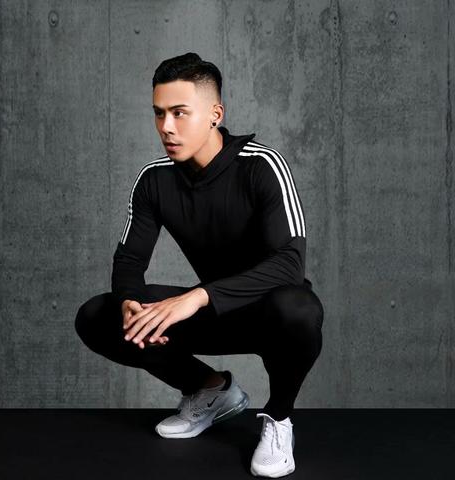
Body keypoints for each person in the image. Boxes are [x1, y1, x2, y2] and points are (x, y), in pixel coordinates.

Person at [75, 52, 324, 478]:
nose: (166, 127)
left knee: (299, 308)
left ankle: (279, 419)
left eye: (179, 113)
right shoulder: (154, 179)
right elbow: (130, 259)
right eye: (159, 113)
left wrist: (199, 295)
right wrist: (131, 301)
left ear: (214, 115)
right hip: (213, 316)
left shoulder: (261, 166)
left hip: (271, 316)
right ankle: (210, 390)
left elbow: (289, 264)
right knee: (99, 315)